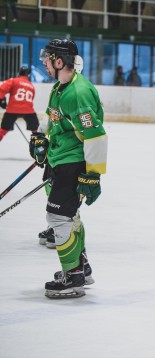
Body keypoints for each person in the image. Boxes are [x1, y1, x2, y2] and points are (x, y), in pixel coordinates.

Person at [29, 38, 108, 299]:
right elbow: (53, 116)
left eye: (47, 57)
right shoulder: (61, 87)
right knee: (69, 217)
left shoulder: (78, 93)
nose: (44, 61)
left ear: (59, 61)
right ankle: (81, 269)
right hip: (60, 158)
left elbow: (95, 136)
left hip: (72, 163)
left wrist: (92, 175)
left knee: (59, 218)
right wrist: (41, 136)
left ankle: (72, 276)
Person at [0, 66, 39, 142]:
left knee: (3, 130)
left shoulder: (14, 81)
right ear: (28, 75)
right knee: (36, 131)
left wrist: (2, 100)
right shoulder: (31, 85)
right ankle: (40, 148)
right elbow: (31, 99)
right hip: (29, 111)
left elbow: (1, 89)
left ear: (19, 73)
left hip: (12, 110)